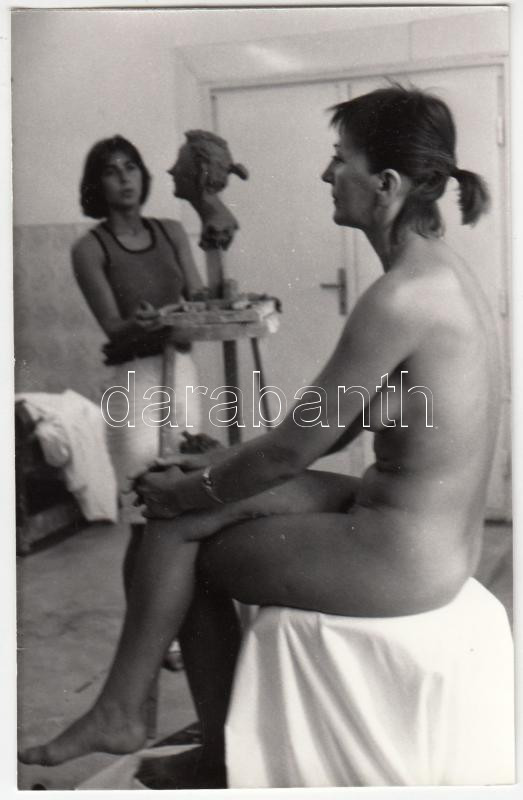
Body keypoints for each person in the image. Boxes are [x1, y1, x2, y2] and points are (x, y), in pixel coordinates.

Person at [19, 85, 504, 787]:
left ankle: (185, 740)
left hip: (403, 554)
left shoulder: (401, 297)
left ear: (386, 184)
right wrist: (213, 466)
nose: (326, 173)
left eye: (340, 158)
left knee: (187, 539)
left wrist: (191, 489)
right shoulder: (442, 275)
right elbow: (328, 430)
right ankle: (131, 710)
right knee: (178, 514)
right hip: (427, 536)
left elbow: (289, 452)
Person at [73, 135, 205, 675]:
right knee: (144, 515)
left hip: (182, 374)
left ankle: (185, 626)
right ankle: (147, 641)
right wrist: (146, 323)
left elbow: (200, 302)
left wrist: (186, 315)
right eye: (111, 171)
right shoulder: (91, 248)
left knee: (186, 502)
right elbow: (113, 327)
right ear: (97, 184)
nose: (124, 178)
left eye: (131, 167)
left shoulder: (171, 231)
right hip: (133, 382)